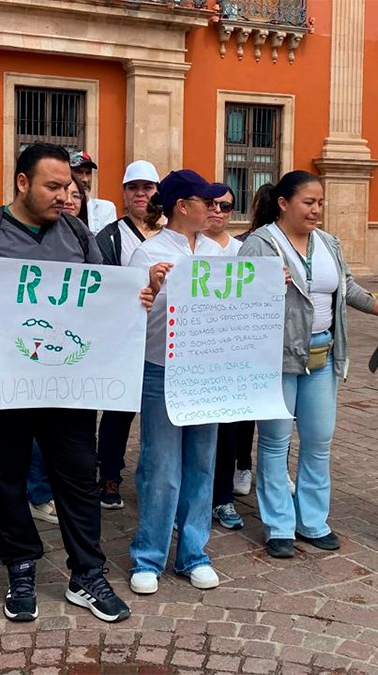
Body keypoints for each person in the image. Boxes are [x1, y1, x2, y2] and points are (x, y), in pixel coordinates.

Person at [0, 143, 143, 624]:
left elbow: (104, 293)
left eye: (68, 188)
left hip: (68, 383)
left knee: (76, 475)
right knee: (6, 478)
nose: (64, 196)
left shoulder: (75, 232)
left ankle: (87, 573)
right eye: (53, 186)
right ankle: (20, 566)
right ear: (22, 182)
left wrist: (140, 294)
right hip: (2, 382)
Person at [239, 170, 378, 559]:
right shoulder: (260, 244)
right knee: (274, 442)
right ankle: (279, 526)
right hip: (277, 359)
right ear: (284, 203)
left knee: (318, 441)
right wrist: (265, 286)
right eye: (308, 202)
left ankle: (313, 522)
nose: (316, 210)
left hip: (322, 355)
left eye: (320, 203)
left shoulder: (328, 243)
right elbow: (236, 297)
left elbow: (348, 289)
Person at [127, 170, 227, 594]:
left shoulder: (218, 253)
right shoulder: (147, 254)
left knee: (202, 463)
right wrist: (149, 290)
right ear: (182, 206)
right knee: (162, 466)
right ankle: (148, 555)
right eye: (207, 201)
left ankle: (193, 553)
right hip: (161, 369)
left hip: (207, 371)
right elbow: (131, 318)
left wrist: (267, 288)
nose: (215, 209)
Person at [94, 159, 161, 509]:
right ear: (123, 192)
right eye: (134, 187)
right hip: (125, 337)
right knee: (118, 410)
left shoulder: (173, 233)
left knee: (160, 415)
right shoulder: (110, 236)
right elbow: (104, 286)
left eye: (147, 187)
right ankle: (109, 475)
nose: (141, 194)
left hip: (166, 338)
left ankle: (154, 477)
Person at [203, 186, 253, 531]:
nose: (219, 211)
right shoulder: (189, 247)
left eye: (226, 207)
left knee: (227, 432)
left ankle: (222, 498)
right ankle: (192, 498)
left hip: (231, 355)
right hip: (194, 353)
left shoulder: (243, 251)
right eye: (213, 205)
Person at [69, 151, 118, 232]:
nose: (85, 179)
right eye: (78, 172)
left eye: (88, 173)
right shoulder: (62, 207)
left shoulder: (105, 208)